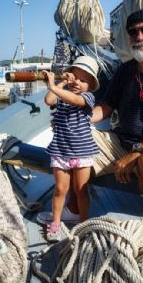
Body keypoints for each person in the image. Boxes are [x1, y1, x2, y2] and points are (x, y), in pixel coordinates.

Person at [37, 8, 143, 227]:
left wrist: (138, 151)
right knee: (76, 141)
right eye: (133, 32)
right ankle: (73, 210)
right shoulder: (126, 70)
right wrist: (74, 121)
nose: (139, 37)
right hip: (122, 141)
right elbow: (106, 107)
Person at [41, 55, 100, 242]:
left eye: (84, 80)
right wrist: (60, 82)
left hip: (82, 152)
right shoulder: (61, 95)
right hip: (60, 151)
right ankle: (56, 223)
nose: (78, 83)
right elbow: (49, 101)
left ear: (90, 85)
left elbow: (76, 100)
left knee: (81, 190)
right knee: (60, 190)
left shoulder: (88, 98)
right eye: (75, 78)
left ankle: (83, 223)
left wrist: (52, 86)